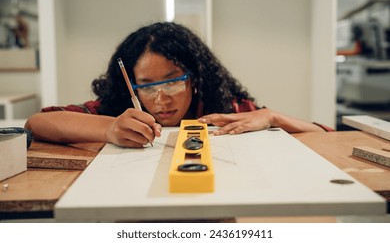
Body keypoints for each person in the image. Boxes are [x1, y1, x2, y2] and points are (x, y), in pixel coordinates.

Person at [25, 22, 332, 148]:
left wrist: (272, 116)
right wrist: (107, 130)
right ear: (130, 86)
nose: (161, 99)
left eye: (172, 81)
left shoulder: (223, 110)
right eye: (145, 85)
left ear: (195, 77)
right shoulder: (118, 111)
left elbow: (326, 138)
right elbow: (38, 123)